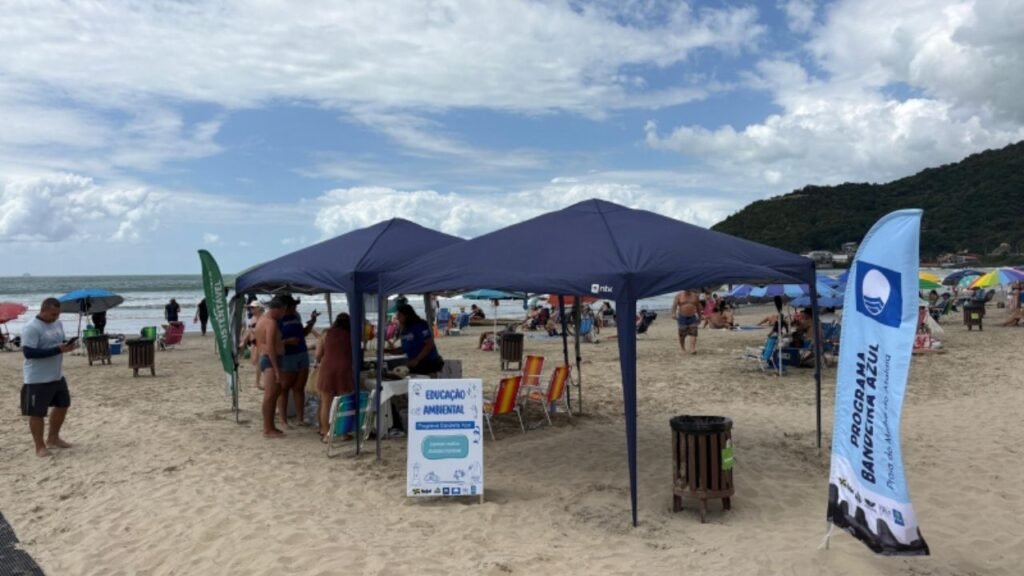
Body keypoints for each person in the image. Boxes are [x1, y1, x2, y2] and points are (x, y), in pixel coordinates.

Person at [21, 298, 76, 457]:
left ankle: (53, 438)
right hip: (37, 378)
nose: (56, 317)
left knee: (63, 405)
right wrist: (58, 350)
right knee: (37, 412)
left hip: (57, 375)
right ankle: (40, 446)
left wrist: (68, 345)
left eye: (58, 314)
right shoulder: (32, 328)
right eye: (53, 314)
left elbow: (58, 343)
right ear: (43, 310)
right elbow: (29, 353)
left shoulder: (58, 323)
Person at [277, 295, 317, 428]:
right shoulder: (278, 321)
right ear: (286, 307)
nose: (296, 308)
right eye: (293, 306)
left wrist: (312, 322)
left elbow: (303, 333)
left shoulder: (295, 317)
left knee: (299, 388)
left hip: (301, 353)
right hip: (288, 356)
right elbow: (273, 343)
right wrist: (287, 342)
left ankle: (300, 418)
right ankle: (283, 420)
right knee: (284, 389)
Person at [316, 313, 354, 441]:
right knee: (343, 403)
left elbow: (318, 354)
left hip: (327, 368)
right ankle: (343, 433)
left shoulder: (326, 333)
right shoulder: (352, 335)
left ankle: (326, 433)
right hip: (344, 369)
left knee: (326, 403)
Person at [255, 298, 286, 438]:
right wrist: (277, 370)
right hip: (270, 360)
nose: (283, 314)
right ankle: (267, 428)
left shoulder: (262, 319)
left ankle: (271, 426)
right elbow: (271, 347)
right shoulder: (271, 323)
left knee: (273, 395)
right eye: (282, 311)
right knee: (270, 395)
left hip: (267, 358)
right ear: (276, 309)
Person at [386, 304, 444, 375]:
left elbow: (429, 343)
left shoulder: (420, 325)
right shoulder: (405, 329)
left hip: (429, 363)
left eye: (399, 315)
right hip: (416, 364)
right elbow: (404, 349)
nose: (397, 318)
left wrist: (417, 359)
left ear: (407, 315)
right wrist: (387, 351)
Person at [672, 289, 700, 354]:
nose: (688, 290)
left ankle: (692, 349)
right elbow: (674, 305)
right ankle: (683, 348)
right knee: (682, 334)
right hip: (682, 317)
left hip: (692, 316)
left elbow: (698, 307)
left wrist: (700, 317)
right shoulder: (679, 295)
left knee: (694, 333)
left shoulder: (695, 296)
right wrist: (673, 313)